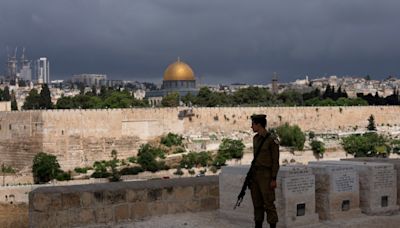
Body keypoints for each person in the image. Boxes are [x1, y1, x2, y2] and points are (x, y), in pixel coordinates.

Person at [250, 114, 280, 228]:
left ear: (259, 125)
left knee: (269, 204)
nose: (251, 127)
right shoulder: (255, 139)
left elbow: (275, 161)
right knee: (257, 203)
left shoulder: (272, 140)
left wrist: (273, 178)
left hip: (266, 176)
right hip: (255, 175)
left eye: (253, 124)